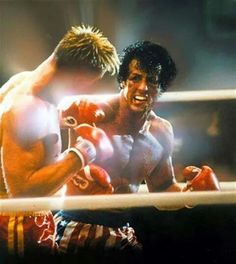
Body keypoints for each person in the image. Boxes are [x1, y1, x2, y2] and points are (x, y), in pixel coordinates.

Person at [55, 40, 220, 262]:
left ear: (160, 88)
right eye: (136, 78)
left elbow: (162, 190)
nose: (143, 87)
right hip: (75, 224)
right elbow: (40, 123)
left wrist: (192, 196)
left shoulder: (161, 131)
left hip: (122, 230)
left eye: (151, 81)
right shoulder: (90, 112)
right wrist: (63, 111)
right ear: (123, 80)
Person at [0, 24, 120, 260]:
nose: (86, 89)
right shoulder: (27, 108)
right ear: (76, 72)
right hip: (17, 221)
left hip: (23, 218)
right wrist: (82, 153)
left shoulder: (23, 81)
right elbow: (23, 194)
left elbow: (28, 138)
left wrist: (67, 120)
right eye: (87, 82)